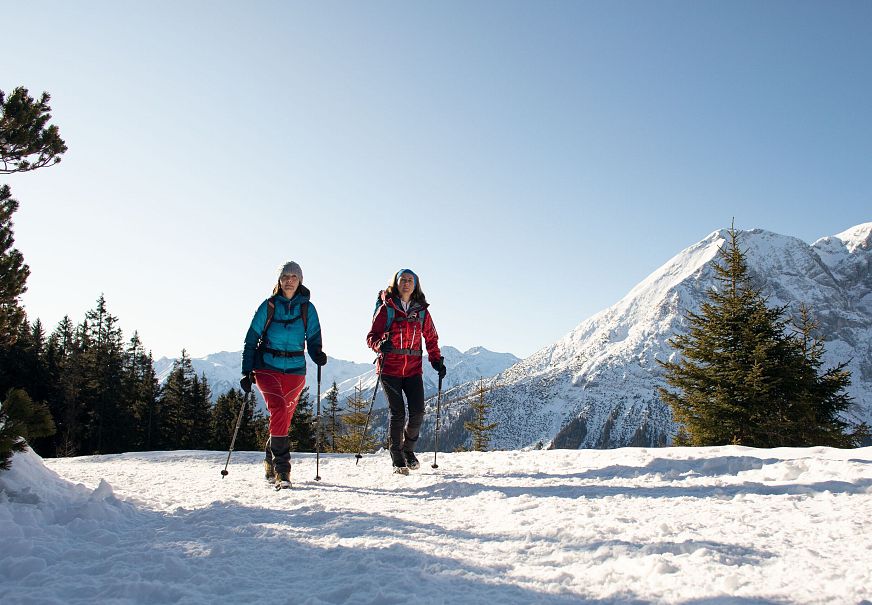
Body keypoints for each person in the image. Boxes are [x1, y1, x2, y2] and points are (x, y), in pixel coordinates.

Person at [241, 261, 327, 489]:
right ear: (279, 281)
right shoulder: (268, 306)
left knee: (284, 419)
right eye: (285, 276)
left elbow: (314, 336)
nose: (289, 280)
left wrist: (317, 353)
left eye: (294, 276)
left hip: (296, 371)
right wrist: (246, 370)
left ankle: (270, 456)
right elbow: (251, 339)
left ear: (300, 281)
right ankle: (282, 471)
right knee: (278, 409)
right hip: (267, 367)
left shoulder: (308, 309)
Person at [366, 268, 446, 474]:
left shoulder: (421, 312)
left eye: (410, 280)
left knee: (418, 411)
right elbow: (371, 336)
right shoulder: (387, 309)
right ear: (396, 282)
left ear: (416, 284)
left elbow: (431, 338)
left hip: (413, 370)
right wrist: (379, 345)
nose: (407, 283)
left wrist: (436, 361)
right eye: (403, 280)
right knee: (398, 413)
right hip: (389, 369)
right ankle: (397, 457)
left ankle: (408, 450)